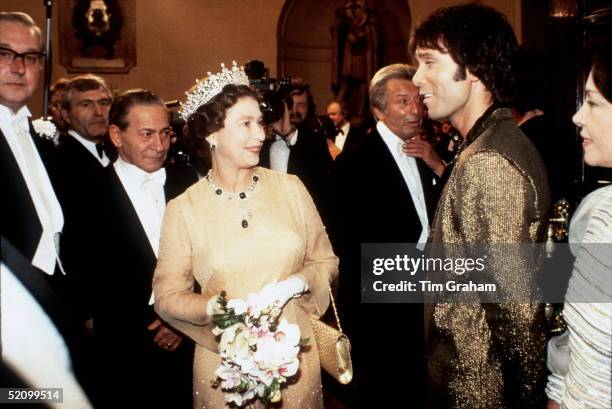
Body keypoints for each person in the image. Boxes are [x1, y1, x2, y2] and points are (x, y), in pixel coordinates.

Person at [153, 62, 338, 408]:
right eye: (246, 124)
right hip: (225, 366)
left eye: (261, 123)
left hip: (296, 359)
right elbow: (167, 296)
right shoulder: (184, 209)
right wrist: (219, 308)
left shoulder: (290, 188)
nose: (261, 135)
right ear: (211, 134)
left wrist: (295, 284)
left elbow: (325, 260)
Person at [412, 4, 550, 408]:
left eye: (429, 62)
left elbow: (518, 316)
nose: (417, 78)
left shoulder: (491, 161)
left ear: (472, 69)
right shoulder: (482, 144)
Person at [62, 89, 197, 408]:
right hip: (123, 349)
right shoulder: (86, 192)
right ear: (116, 135)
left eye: (165, 133)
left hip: (190, 339)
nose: (160, 145)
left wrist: (180, 317)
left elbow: (208, 255)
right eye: (147, 134)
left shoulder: (187, 180)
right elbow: (83, 275)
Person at [328, 63, 439, 407]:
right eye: (403, 101)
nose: (416, 110)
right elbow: (347, 243)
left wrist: (439, 166)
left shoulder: (427, 153)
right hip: (380, 313)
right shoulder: (355, 162)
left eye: (418, 100)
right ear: (378, 109)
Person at [545, 40, 612, 409]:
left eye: (594, 102)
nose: (578, 116)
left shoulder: (602, 214)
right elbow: (575, 354)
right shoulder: (598, 210)